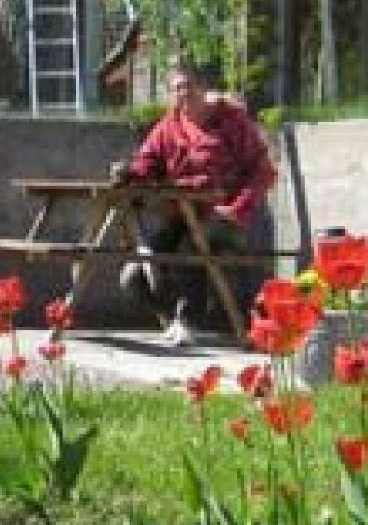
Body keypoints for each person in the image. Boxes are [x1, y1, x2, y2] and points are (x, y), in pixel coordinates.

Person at [111, 62, 277, 334]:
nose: (184, 94)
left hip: (225, 217)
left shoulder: (232, 122)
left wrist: (237, 208)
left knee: (191, 247)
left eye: (189, 86)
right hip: (180, 217)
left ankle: (190, 321)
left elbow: (263, 172)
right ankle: (180, 318)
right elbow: (147, 162)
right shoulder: (168, 126)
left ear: (203, 88)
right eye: (177, 88)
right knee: (134, 275)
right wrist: (129, 173)